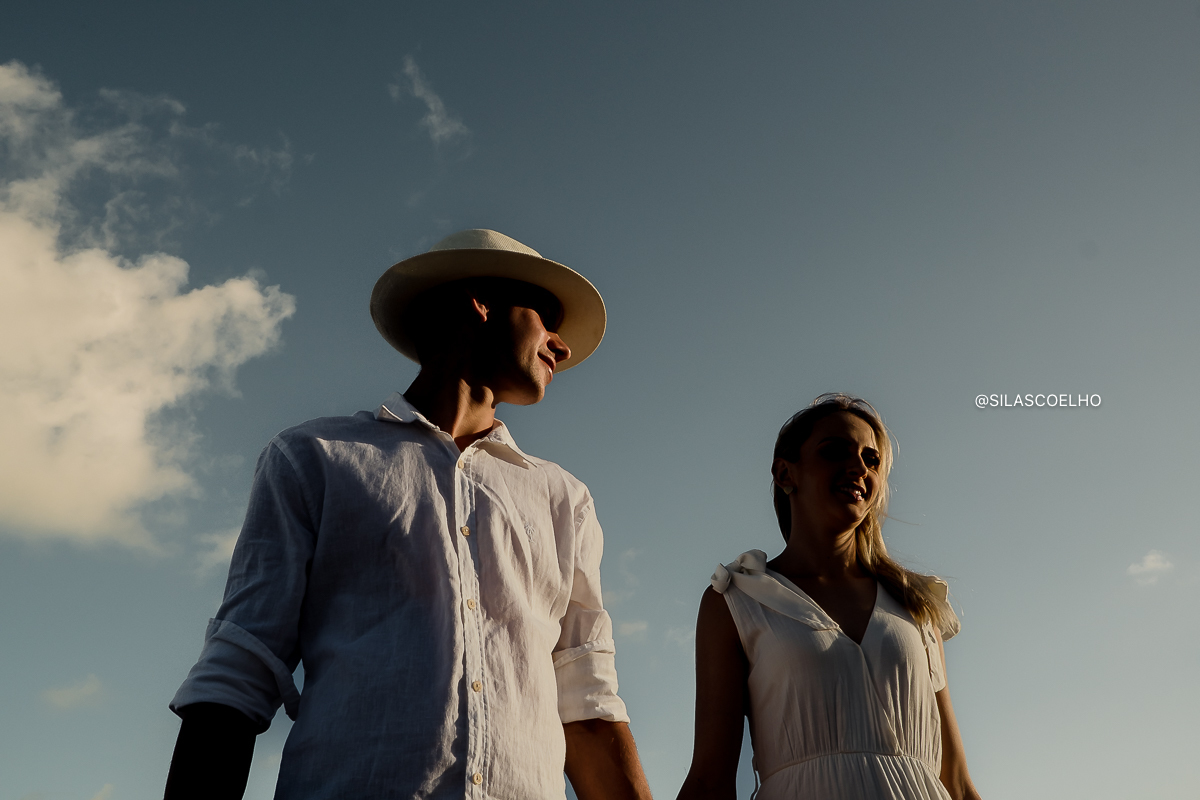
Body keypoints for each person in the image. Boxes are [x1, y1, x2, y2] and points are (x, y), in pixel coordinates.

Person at [164, 229, 653, 800]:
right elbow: (240, 670)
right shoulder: (314, 458)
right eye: (546, 320)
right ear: (480, 304)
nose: (561, 347)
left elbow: (587, 700)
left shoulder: (564, 498)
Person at [677, 394, 981, 800]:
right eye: (835, 450)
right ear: (785, 473)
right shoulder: (739, 599)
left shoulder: (917, 605)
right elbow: (709, 781)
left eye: (872, 460)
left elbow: (956, 781)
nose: (859, 468)